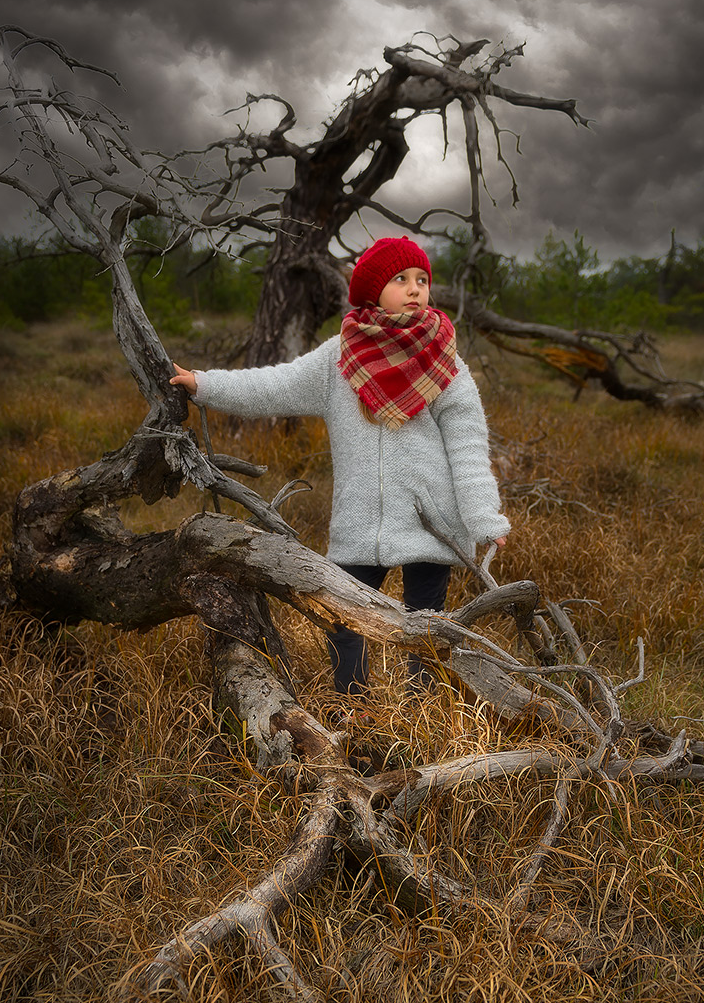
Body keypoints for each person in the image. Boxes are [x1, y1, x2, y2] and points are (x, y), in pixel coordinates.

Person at [171, 236, 510, 696]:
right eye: (401, 279)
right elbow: (276, 385)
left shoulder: (444, 359)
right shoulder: (340, 357)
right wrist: (204, 385)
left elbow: (468, 446)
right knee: (343, 619)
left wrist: (483, 517)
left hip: (433, 520)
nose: (415, 288)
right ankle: (356, 708)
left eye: (422, 280)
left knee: (428, 627)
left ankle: (425, 712)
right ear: (373, 291)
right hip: (359, 518)